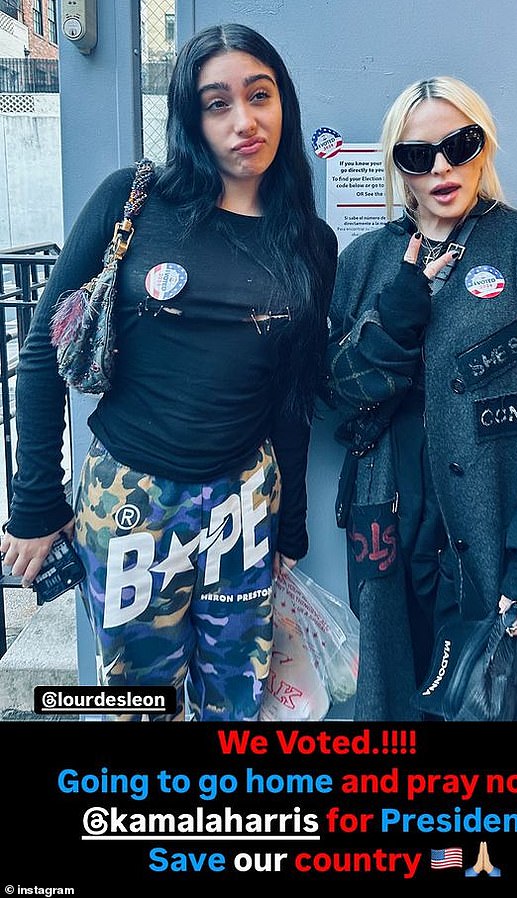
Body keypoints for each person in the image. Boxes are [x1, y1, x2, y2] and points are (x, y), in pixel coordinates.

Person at [0, 23, 338, 722]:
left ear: (284, 103)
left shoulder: (309, 239)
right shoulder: (137, 198)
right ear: (191, 118)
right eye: (217, 104)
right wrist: (36, 505)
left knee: (237, 701)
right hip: (131, 499)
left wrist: (290, 528)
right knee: (137, 704)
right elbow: (40, 350)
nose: (244, 121)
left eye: (260, 94)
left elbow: (292, 396)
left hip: (246, 502)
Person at [326, 75, 517, 721]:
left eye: (459, 144)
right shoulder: (365, 262)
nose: (442, 167)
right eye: (418, 156)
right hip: (391, 511)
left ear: (485, 145)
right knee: (402, 688)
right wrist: (399, 308)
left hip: (493, 512)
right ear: (400, 167)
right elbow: (338, 394)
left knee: (488, 691)